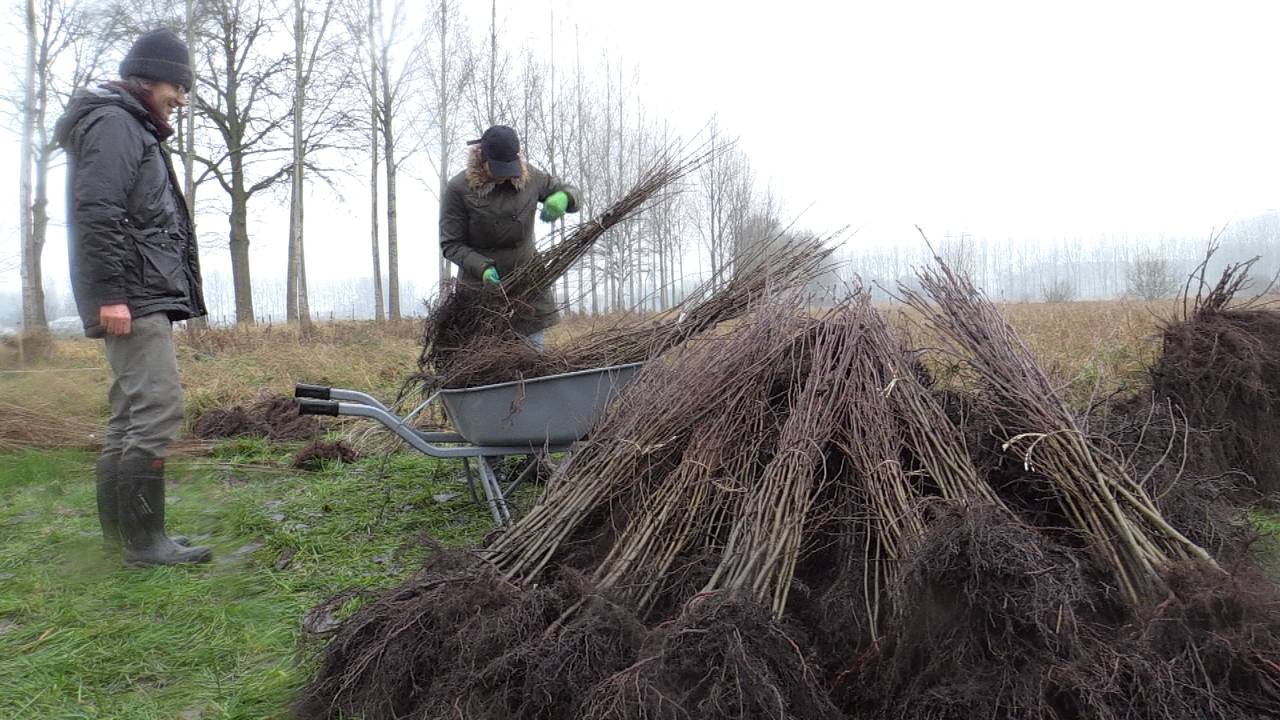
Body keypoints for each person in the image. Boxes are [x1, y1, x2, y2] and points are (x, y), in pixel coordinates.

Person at [54, 28, 211, 566]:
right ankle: (146, 543)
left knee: (128, 417)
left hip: (136, 291)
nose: (182, 100)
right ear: (149, 79)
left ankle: (126, 539)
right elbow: (98, 211)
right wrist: (112, 295)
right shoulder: (117, 124)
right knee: (158, 411)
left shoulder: (127, 124)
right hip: (133, 295)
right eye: (177, 87)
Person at [439, 124, 582, 348]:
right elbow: (451, 244)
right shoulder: (458, 189)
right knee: (482, 364)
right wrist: (482, 268)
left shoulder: (531, 178)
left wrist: (564, 197)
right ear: (482, 158)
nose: (505, 176)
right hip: (481, 292)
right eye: (498, 169)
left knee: (531, 361)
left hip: (526, 289)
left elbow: (574, 192)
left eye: (510, 168)